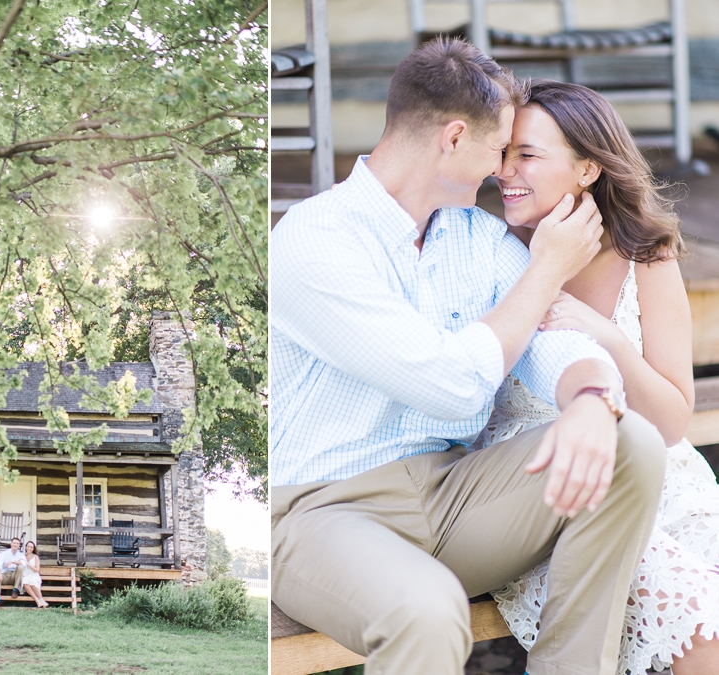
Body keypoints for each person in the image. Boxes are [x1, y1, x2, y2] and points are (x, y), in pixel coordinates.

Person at [271, 37, 668, 675]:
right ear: (454, 139)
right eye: (496, 149)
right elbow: (454, 386)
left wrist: (594, 398)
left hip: (451, 492)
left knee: (633, 444)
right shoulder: (315, 241)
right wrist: (546, 270)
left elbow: (553, 341)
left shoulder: (477, 238)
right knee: (428, 611)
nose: (500, 170)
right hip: (320, 512)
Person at [477, 79, 719, 675]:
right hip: (552, 497)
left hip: (667, 489)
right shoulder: (487, 252)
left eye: (527, 155)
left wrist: (606, 335)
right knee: (701, 627)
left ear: (588, 168)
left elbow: (669, 420)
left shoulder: (646, 256)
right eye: (503, 152)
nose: (505, 170)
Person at [0, 537, 25, 609]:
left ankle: (15, 590)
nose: (15, 545)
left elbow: (24, 563)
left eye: (17, 543)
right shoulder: (4, 554)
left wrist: (13, 561)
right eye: (14, 543)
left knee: (20, 567)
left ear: (19, 545)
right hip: (5, 575)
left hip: (15, 576)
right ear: (11, 544)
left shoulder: (21, 555)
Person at [20, 541, 48, 608]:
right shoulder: (23, 556)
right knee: (25, 582)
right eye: (28, 546)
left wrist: (28, 564)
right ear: (26, 547)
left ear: (33, 548)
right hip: (25, 574)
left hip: (33, 574)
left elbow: (37, 570)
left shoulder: (35, 557)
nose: (29, 548)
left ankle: (41, 599)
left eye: (31, 547)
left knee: (32, 583)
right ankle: (37, 600)